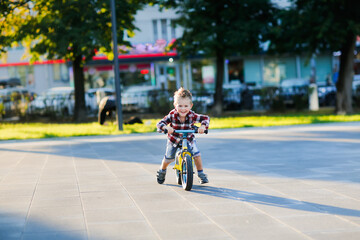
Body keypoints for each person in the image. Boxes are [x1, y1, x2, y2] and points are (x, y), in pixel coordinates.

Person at [156, 87, 210, 184]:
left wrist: (203, 126)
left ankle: (201, 174)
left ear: (191, 105)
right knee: (169, 157)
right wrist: (166, 128)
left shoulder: (192, 115)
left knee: (197, 155)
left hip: (189, 139)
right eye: (180, 106)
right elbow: (160, 123)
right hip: (174, 139)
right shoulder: (172, 115)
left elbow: (205, 118)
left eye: (186, 106)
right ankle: (162, 170)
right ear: (175, 105)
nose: (183, 109)